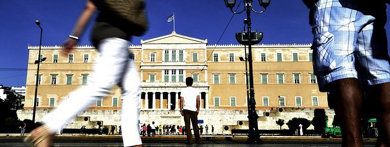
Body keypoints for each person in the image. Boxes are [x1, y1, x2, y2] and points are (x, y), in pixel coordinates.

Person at [24, 0, 146, 146]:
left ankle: (133, 141)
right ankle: (46, 128)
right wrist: (74, 36)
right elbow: (91, 5)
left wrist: (75, 36)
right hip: (114, 37)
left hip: (117, 40)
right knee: (101, 84)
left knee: (132, 87)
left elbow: (90, 6)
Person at [303, 0, 390, 146]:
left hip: (336, 4)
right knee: (382, 74)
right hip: (374, 6)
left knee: (340, 69)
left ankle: (353, 142)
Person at [180, 77, 202, 144]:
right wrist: (198, 109)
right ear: (192, 83)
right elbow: (198, 100)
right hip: (193, 109)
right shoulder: (196, 90)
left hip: (186, 109)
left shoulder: (183, 90)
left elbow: (181, 100)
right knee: (195, 125)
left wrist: (181, 109)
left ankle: (190, 140)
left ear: (186, 82)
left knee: (187, 126)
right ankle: (198, 140)